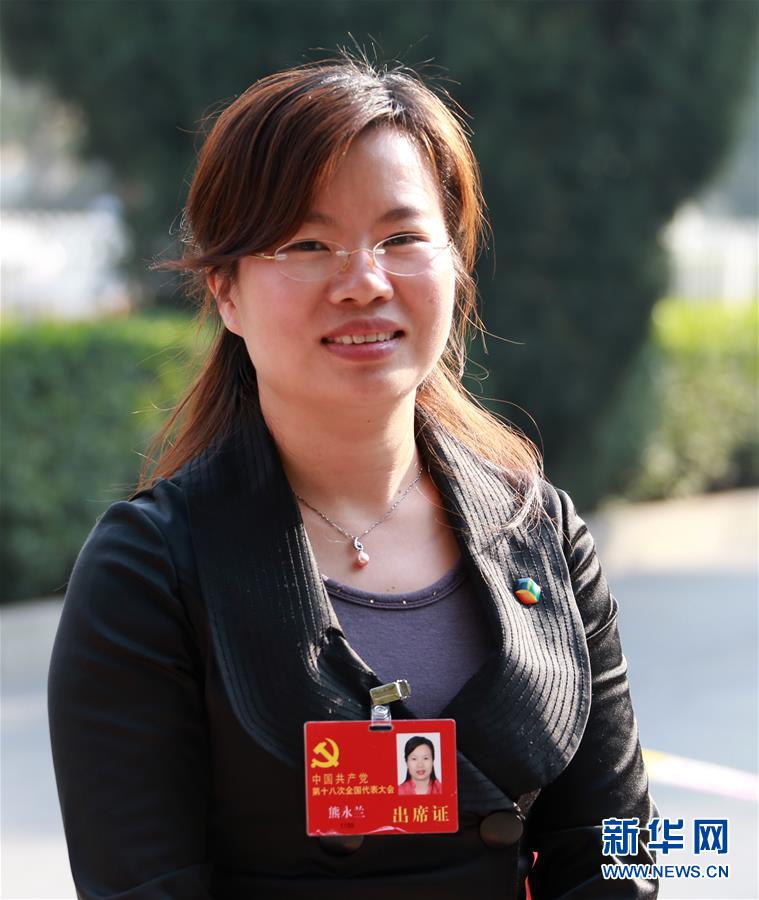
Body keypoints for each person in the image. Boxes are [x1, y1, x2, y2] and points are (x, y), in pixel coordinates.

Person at [48, 57, 658, 899]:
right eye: (307, 244)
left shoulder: (539, 532)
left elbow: (616, 851)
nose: (364, 282)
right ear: (225, 290)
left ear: (455, 265)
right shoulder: (152, 571)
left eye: (401, 239)